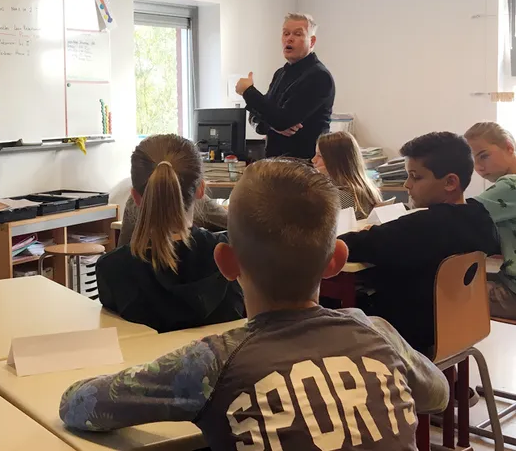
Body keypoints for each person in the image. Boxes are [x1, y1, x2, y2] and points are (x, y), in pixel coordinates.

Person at [60, 159, 448, 450]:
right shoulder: (375, 332)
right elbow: (437, 394)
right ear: (336, 260)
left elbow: (80, 405)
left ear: (226, 262)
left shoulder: (211, 362)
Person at [340, 132, 500, 356]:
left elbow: (354, 245)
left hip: (409, 333)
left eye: (416, 177)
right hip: (457, 324)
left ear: (450, 182)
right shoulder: (479, 216)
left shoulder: (424, 225)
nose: (407, 185)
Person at [95, 134, 244, 333]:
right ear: (201, 190)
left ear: (136, 198)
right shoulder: (233, 256)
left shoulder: (112, 269)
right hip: (224, 363)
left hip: (149, 364)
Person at [235, 13, 336, 160]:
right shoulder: (280, 74)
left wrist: (248, 92)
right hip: (275, 164)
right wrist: (274, 124)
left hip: (304, 167)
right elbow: (260, 119)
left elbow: (280, 119)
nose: (289, 38)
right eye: (286, 33)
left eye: (298, 34)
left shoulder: (319, 76)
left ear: (312, 41)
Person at [464, 121, 516, 321]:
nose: (478, 167)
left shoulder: (510, 184)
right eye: (472, 162)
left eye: (483, 156)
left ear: (508, 147)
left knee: (439, 293)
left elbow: (460, 215)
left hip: (513, 293)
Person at [313, 131, 384, 220]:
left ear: (337, 161)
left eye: (319, 156)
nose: (313, 160)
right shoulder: (368, 189)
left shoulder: (340, 196)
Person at [117, 194, 226, 247]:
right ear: (200, 188)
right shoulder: (196, 199)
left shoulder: (134, 200)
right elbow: (238, 225)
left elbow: (122, 248)